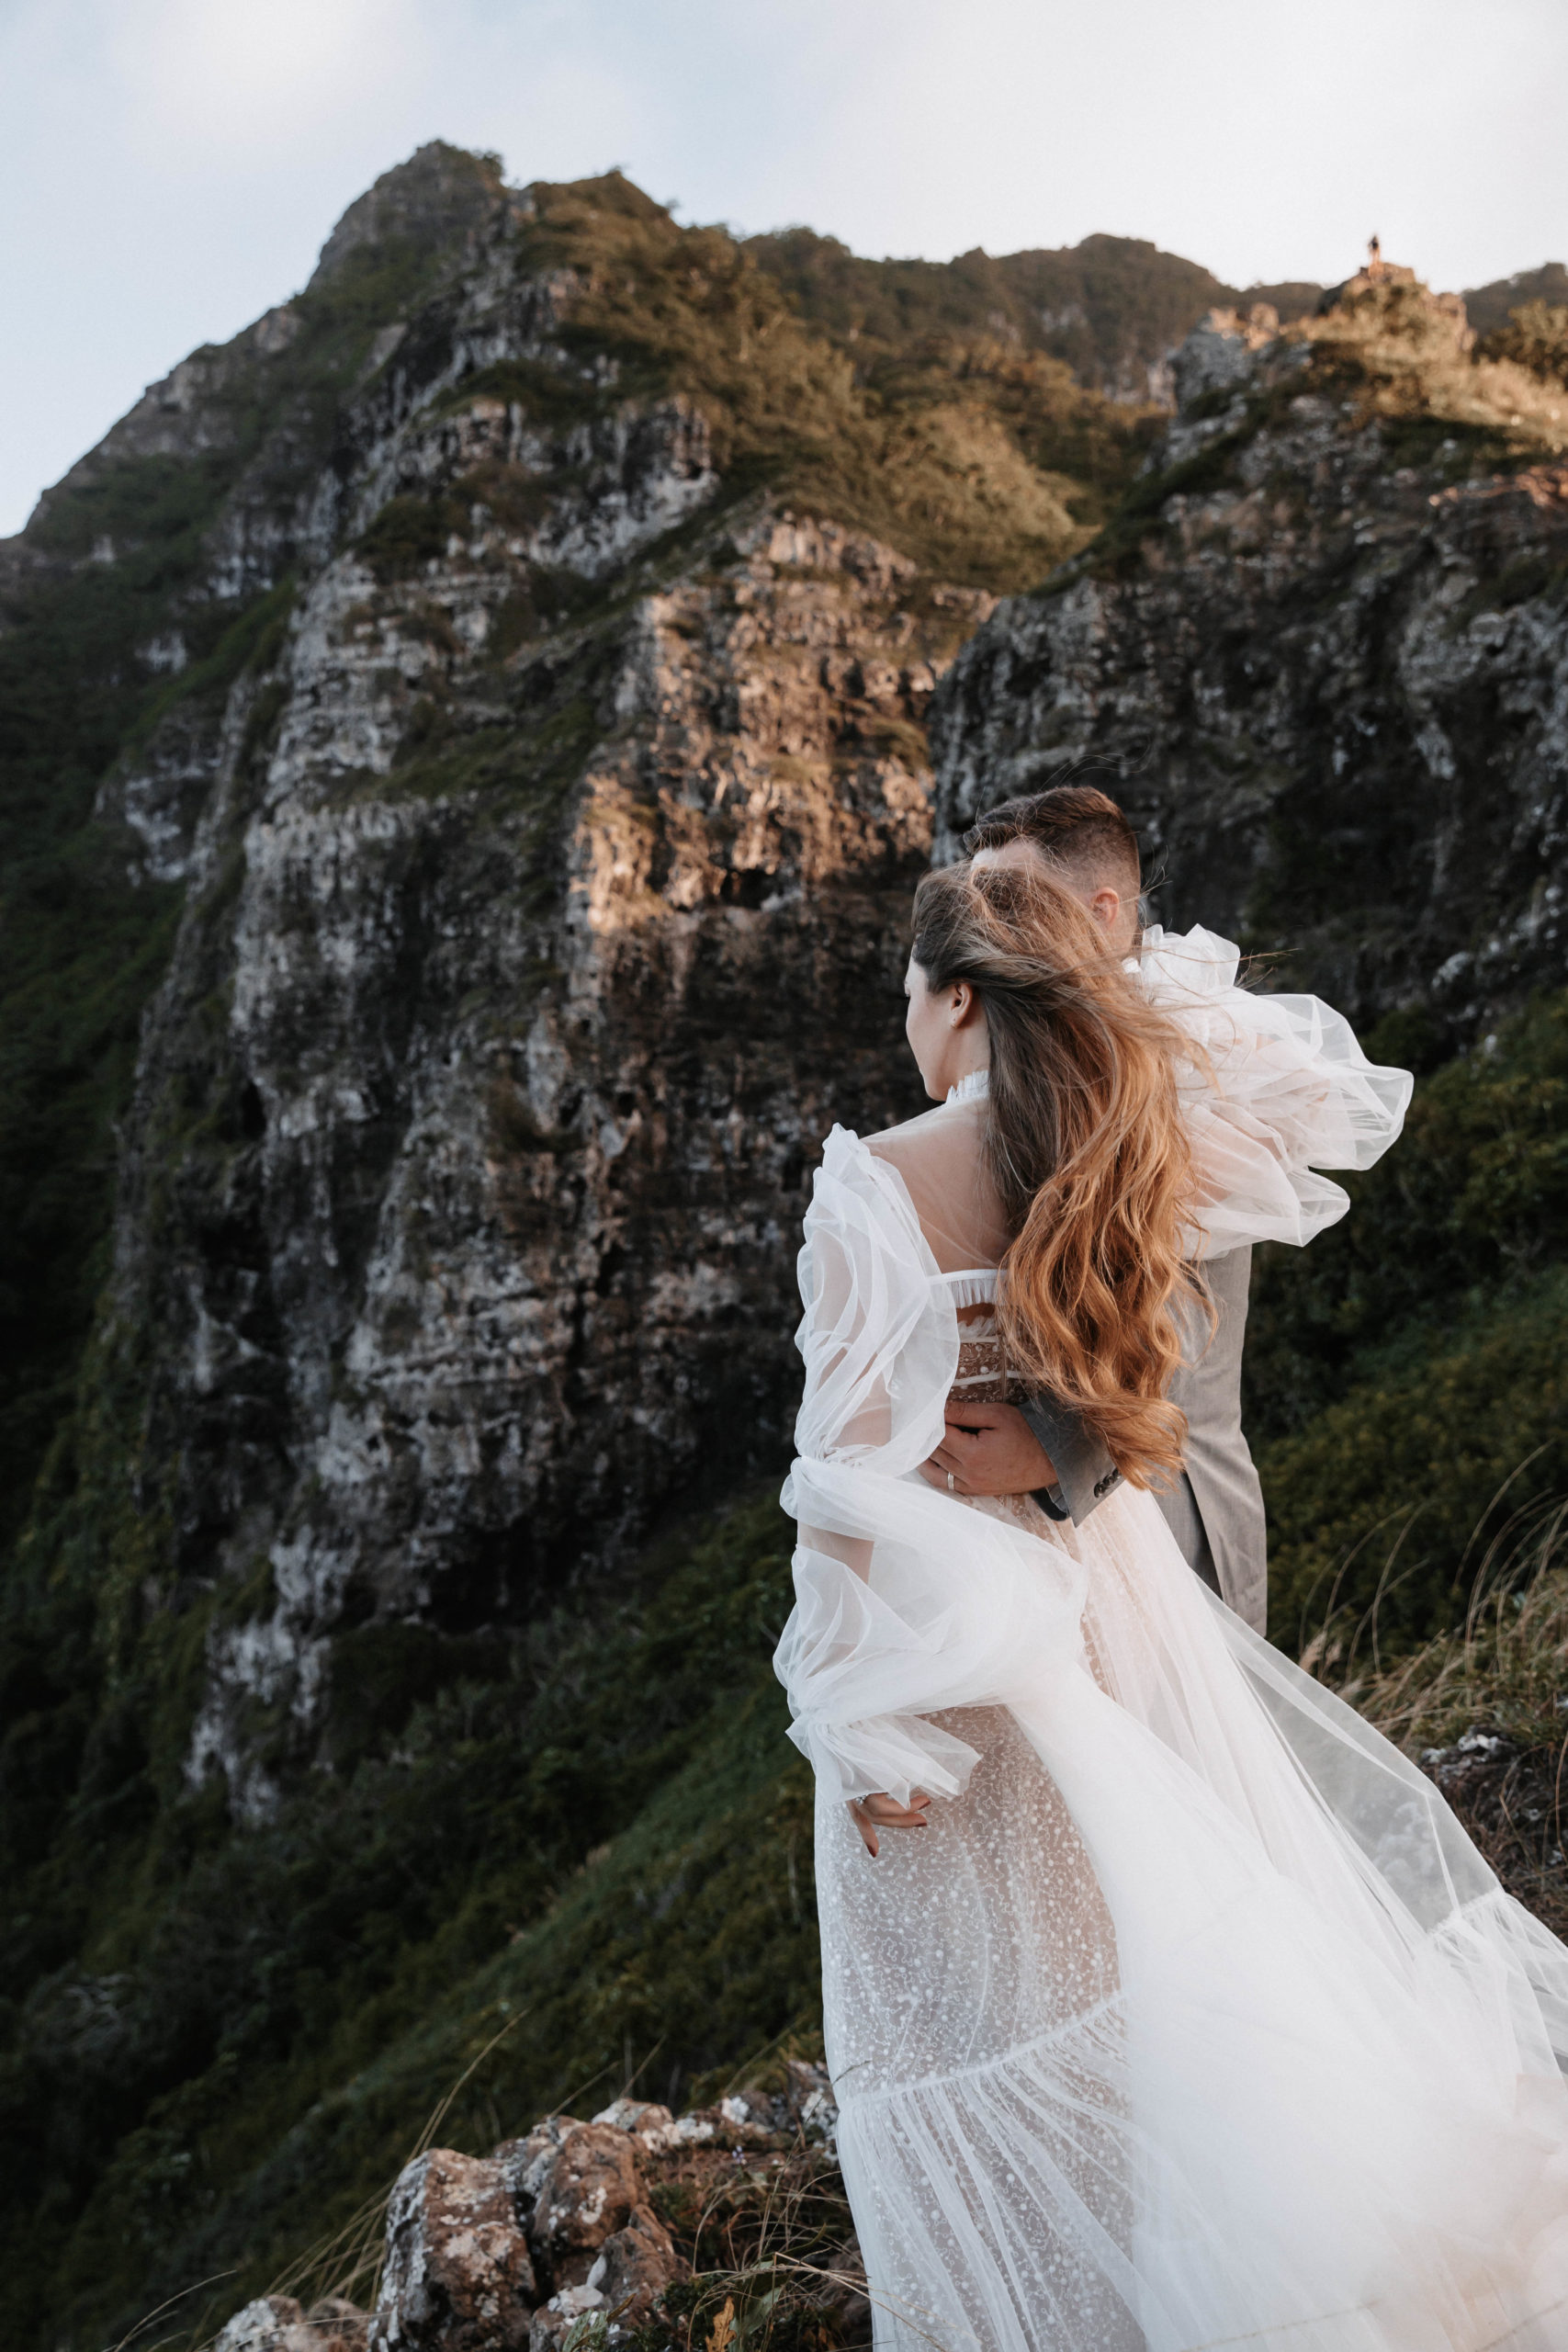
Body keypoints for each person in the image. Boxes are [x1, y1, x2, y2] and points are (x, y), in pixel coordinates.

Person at [774, 859, 1568, 2351]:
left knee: (966, 2036)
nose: (901, 1024)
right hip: (1107, 1606)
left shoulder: (874, 1179)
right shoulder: (1115, 1138)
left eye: (904, 995)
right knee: (1137, 1986)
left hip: (951, 1658)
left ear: (953, 997)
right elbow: (1161, 1375)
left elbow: (843, 1483)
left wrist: (846, 1707)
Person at [919, 785, 1410, 1634]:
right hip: (1033, 1525)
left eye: (1015, 902)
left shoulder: (1189, 1050)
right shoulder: (1041, 1048)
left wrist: (1058, 1450)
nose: (990, 928)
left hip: (1160, 1506)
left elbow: (1177, 1298)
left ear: (1104, 911)